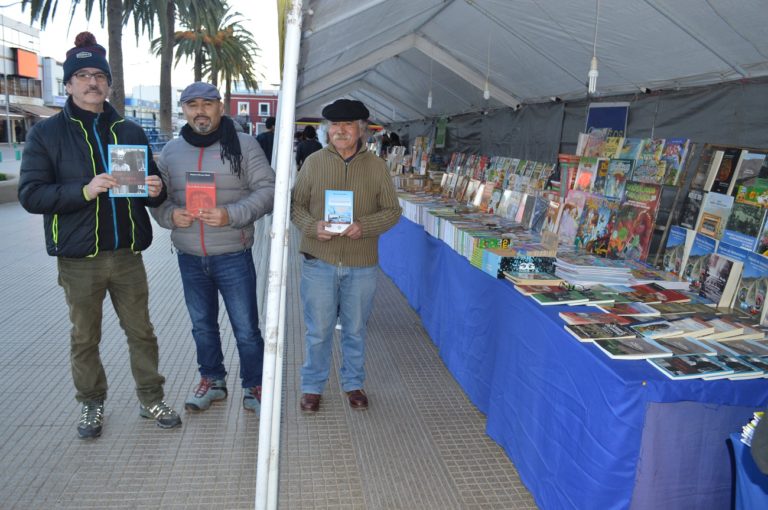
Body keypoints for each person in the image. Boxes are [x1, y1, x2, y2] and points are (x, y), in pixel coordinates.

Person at [17, 31, 181, 440]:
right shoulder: (47, 134)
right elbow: (30, 194)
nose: (93, 82)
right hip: (78, 259)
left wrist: (155, 188)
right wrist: (84, 190)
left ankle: (150, 398)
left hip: (127, 254)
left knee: (141, 331)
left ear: (109, 83)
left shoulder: (128, 130)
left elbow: (148, 186)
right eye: (83, 75)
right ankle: (91, 403)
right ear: (69, 83)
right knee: (85, 337)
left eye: (99, 76)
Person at [150, 82, 275, 415]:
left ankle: (256, 384)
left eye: (207, 104)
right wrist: (170, 216)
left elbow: (268, 190)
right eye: (192, 105)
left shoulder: (245, 145)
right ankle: (212, 381)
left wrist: (230, 214)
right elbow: (160, 200)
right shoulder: (171, 152)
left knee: (246, 327)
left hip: (233, 252)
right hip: (190, 256)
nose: (200, 111)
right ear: (184, 110)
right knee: (202, 325)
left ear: (221, 107)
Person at [291, 98, 402, 413]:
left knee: (355, 329)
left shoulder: (377, 167)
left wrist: (363, 226)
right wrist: (313, 227)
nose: (340, 131)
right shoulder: (313, 162)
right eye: (335, 126)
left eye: (347, 125)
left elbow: (393, 211)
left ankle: (353, 384)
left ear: (361, 130)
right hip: (319, 261)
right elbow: (295, 205)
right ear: (328, 130)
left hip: (361, 264)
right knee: (319, 330)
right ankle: (312, 387)